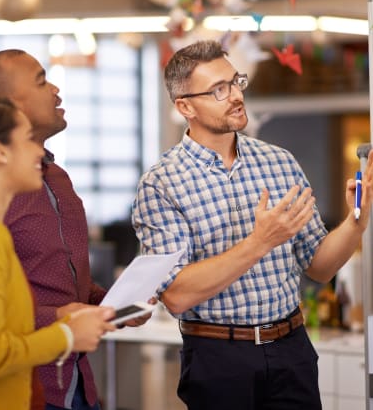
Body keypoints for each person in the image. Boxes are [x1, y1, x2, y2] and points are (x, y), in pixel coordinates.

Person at [132, 40, 373, 410]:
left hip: (291, 350)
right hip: (218, 359)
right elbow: (178, 296)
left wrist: (357, 220)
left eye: (235, 82)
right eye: (218, 90)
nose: (235, 96)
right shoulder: (162, 183)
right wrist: (259, 242)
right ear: (185, 107)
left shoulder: (279, 162)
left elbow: (320, 267)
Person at [0, 49, 150, 410]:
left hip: (69, 382)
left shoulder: (50, 184)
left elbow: (32, 299)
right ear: (0, 148)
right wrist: (65, 328)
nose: (39, 156)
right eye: (25, 142)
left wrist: (105, 307)